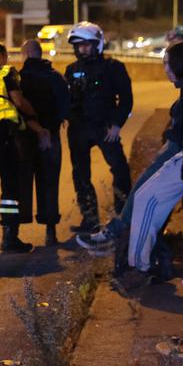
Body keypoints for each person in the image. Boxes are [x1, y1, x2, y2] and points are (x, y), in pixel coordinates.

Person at [76, 38, 183, 290]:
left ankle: (137, 268)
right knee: (142, 195)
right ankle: (132, 255)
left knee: (146, 200)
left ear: (181, 65)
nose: (164, 68)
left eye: (167, 64)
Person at [0, 40, 48, 253]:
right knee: (10, 185)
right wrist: (34, 115)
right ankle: (9, 237)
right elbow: (18, 100)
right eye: (4, 53)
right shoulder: (7, 73)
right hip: (3, 133)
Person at [64, 22, 133, 234]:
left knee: (120, 170)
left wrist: (116, 125)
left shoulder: (113, 67)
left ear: (98, 44)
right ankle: (90, 220)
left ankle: (122, 217)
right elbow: (66, 100)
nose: (82, 49)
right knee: (80, 175)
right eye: (78, 45)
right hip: (78, 129)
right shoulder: (71, 70)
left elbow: (127, 99)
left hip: (105, 129)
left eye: (86, 44)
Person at [17, 39, 70, 245]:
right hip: (50, 136)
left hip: (24, 137)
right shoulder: (56, 77)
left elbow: (17, 106)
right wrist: (48, 130)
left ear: (25, 55)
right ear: (40, 53)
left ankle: (12, 232)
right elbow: (65, 106)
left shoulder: (19, 77)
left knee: (19, 183)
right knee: (49, 182)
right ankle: (50, 231)